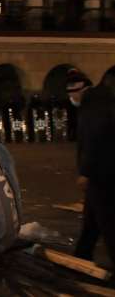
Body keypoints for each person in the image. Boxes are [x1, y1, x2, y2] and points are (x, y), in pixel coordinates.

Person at [67, 69, 115, 269]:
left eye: (72, 92)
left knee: (108, 223)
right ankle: (81, 258)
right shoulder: (101, 101)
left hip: (101, 173)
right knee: (92, 221)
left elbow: (93, 139)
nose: (71, 97)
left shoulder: (93, 104)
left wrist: (85, 172)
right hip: (103, 170)